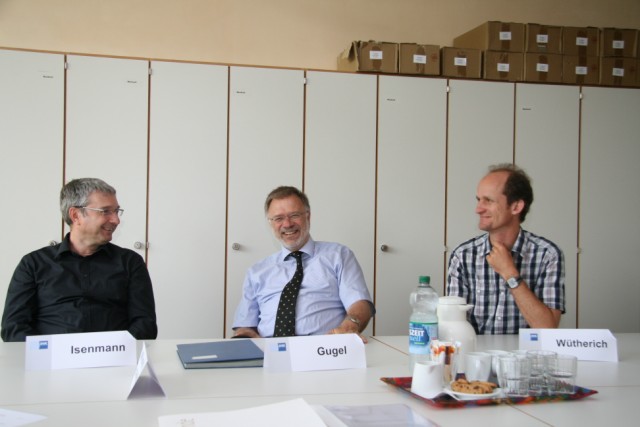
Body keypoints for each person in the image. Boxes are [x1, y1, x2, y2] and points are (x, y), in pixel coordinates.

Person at [1, 178, 158, 342]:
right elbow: (13, 328)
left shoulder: (130, 262)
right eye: (105, 211)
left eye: (116, 211)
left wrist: (114, 350)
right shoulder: (33, 264)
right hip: (50, 357)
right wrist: (46, 352)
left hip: (115, 355)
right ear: (75, 215)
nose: (116, 220)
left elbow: (145, 325)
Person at [232, 186, 375, 340]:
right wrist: (247, 338)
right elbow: (245, 325)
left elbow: (360, 303)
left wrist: (350, 326)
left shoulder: (338, 255)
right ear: (270, 223)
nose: (287, 224)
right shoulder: (256, 271)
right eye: (278, 218)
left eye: (294, 215)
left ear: (308, 216)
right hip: (269, 349)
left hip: (324, 347)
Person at [446, 164, 565, 334]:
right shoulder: (463, 256)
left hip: (526, 351)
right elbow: (452, 327)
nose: (478, 209)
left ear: (516, 207)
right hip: (476, 350)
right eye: (478, 200)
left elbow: (547, 329)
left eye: (488, 200)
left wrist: (510, 274)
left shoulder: (548, 255)